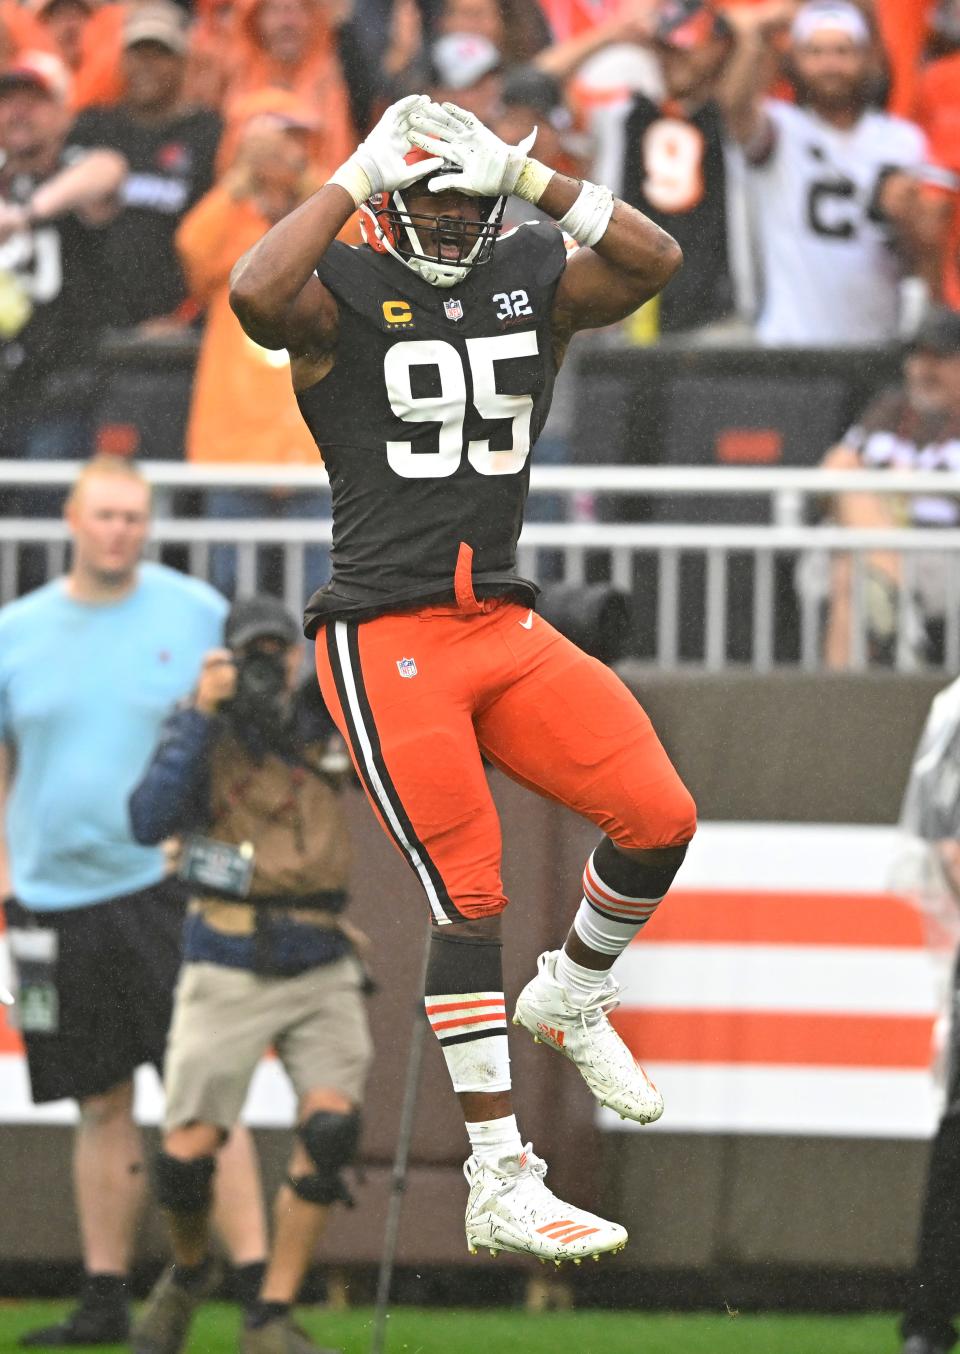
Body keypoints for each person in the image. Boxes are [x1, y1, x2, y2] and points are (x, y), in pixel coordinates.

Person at [229, 92, 696, 1262]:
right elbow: (247, 293)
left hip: (498, 615)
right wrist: (351, 171)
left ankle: (572, 992)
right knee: (470, 892)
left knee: (659, 815)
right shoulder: (333, 282)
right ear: (388, 198)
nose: (455, 217)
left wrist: (529, 180)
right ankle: (500, 1172)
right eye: (432, 193)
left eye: (472, 195)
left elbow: (655, 261)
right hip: (385, 631)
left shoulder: (528, 256)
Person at [0, 457, 268, 1347]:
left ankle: (264, 1300)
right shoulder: (16, 631)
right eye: (105, 514)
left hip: (167, 891)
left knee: (201, 1096)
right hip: (50, 896)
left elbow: (238, 742)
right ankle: (106, 1296)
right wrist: (5, 875)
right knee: (98, 1100)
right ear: (72, 521)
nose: (120, 530)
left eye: (135, 516)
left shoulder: (194, 613)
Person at [128, 595, 371, 1354]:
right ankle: (192, 1268)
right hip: (227, 954)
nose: (271, 666)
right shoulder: (201, 727)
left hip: (320, 951)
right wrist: (204, 714)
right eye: (254, 653)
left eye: (281, 652)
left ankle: (270, 1314)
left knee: (331, 1126)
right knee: (186, 1154)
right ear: (229, 659)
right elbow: (147, 819)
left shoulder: (325, 723)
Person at [175, 94, 333, 602]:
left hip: (316, 449)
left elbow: (363, 233)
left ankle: (320, 686)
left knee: (323, 598)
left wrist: (306, 174)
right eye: (273, 139)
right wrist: (240, 179)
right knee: (228, 595)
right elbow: (191, 250)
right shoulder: (230, 226)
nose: (283, 152)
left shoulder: (325, 229)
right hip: (235, 450)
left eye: (296, 140)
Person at [719, 0, 926, 345]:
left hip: (876, 341)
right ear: (795, 60)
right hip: (791, 343)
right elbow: (736, 108)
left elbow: (917, 258)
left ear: (868, 58)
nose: (830, 64)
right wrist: (755, 37)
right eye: (815, 52)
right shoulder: (782, 129)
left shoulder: (902, 141)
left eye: (843, 51)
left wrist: (908, 221)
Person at [66, 2, 223, 331]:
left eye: (160, 53)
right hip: (92, 332)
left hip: (174, 332)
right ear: (121, 60)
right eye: (138, 53)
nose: (146, 66)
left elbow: (220, 240)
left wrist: (188, 320)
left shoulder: (208, 135)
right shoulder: (91, 128)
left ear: (182, 62)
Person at [819, 305, 960, 669]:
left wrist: (908, 487)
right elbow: (831, 475)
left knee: (854, 563)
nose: (922, 369)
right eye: (916, 356)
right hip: (874, 542)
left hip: (942, 551)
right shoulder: (891, 410)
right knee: (850, 557)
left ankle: (894, 608)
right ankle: (902, 613)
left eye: (938, 358)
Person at [0, 56, 124, 467]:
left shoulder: (76, 169)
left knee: (47, 523)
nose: (17, 112)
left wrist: (26, 213)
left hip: (60, 392)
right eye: (7, 101)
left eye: (33, 101)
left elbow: (109, 169)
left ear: (62, 114)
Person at [619, 0, 739, 336]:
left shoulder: (734, 118)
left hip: (723, 310)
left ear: (718, 48)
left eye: (684, 48)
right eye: (664, 48)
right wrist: (613, 33)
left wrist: (733, 29)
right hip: (644, 309)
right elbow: (539, 82)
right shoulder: (633, 114)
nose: (672, 58)